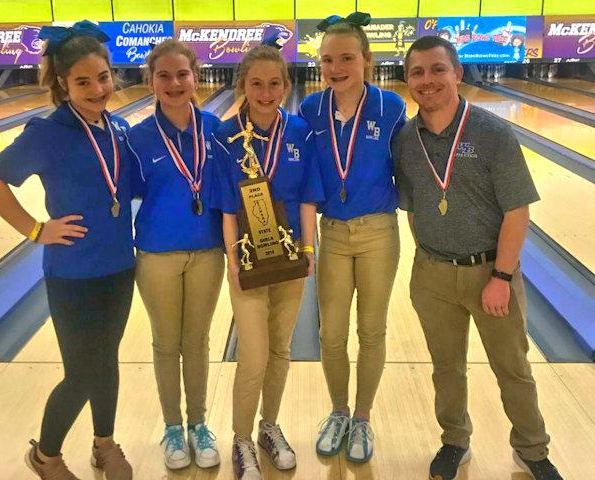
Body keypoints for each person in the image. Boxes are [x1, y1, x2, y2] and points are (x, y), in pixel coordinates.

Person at [393, 35, 563, 480]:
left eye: (437, 70)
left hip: (491, 272)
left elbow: (517, 211)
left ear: (458, 74)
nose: (427, 80)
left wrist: (501, 276)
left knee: (513, 368)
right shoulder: (405, 140)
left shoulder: (492, 133)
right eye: (417, 72)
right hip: (432, 275)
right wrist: (428, 260)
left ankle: (532, 449)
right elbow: (410, 208)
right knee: (446, 369)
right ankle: (455, 441)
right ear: (408, 80)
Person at [0, 21, 135, 480]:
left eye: (103, 77)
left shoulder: (118, 127)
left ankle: (104, 444)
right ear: (63, 82)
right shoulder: (47, 132)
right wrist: (34, 229)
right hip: (73, 274)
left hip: (120, 267)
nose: (96, 88)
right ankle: (45, 456)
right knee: (82, 371)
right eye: (83, 81)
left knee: (107, 361)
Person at [212, 41, 324, 480]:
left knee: (281, 351)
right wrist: (232, 264)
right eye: (256, 84)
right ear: (242, 85)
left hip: (292, 260)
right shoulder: (226, 136)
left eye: (274, 83)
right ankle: (241, 439)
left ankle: (268, 427)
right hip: (248, 263)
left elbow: (309, 198)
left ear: (285, 85)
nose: (265, 92)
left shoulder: (299, 132)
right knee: (253, 356)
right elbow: (225, 207)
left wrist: (310, 249)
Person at [299, 12, 406, 463]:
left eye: (346, 57)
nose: (335, 67)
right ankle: (338, 412)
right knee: (332, 335)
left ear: (366, 59)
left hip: (379, 231)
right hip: (333, 234)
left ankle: (362, 417)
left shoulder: (391, 107)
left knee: (372, 330)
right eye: (327, 60)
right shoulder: (308, 110)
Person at [126, 39, 224, 471]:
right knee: (166, 344)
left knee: (197, 342)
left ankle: (199, 423)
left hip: (207, 252)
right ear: (151, 82)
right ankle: (172, 427)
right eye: (163, 75)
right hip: (156, 255)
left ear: (196, 77)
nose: (173, 82)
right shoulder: (137, 137)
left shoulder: (217, 130)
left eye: (181, 74)